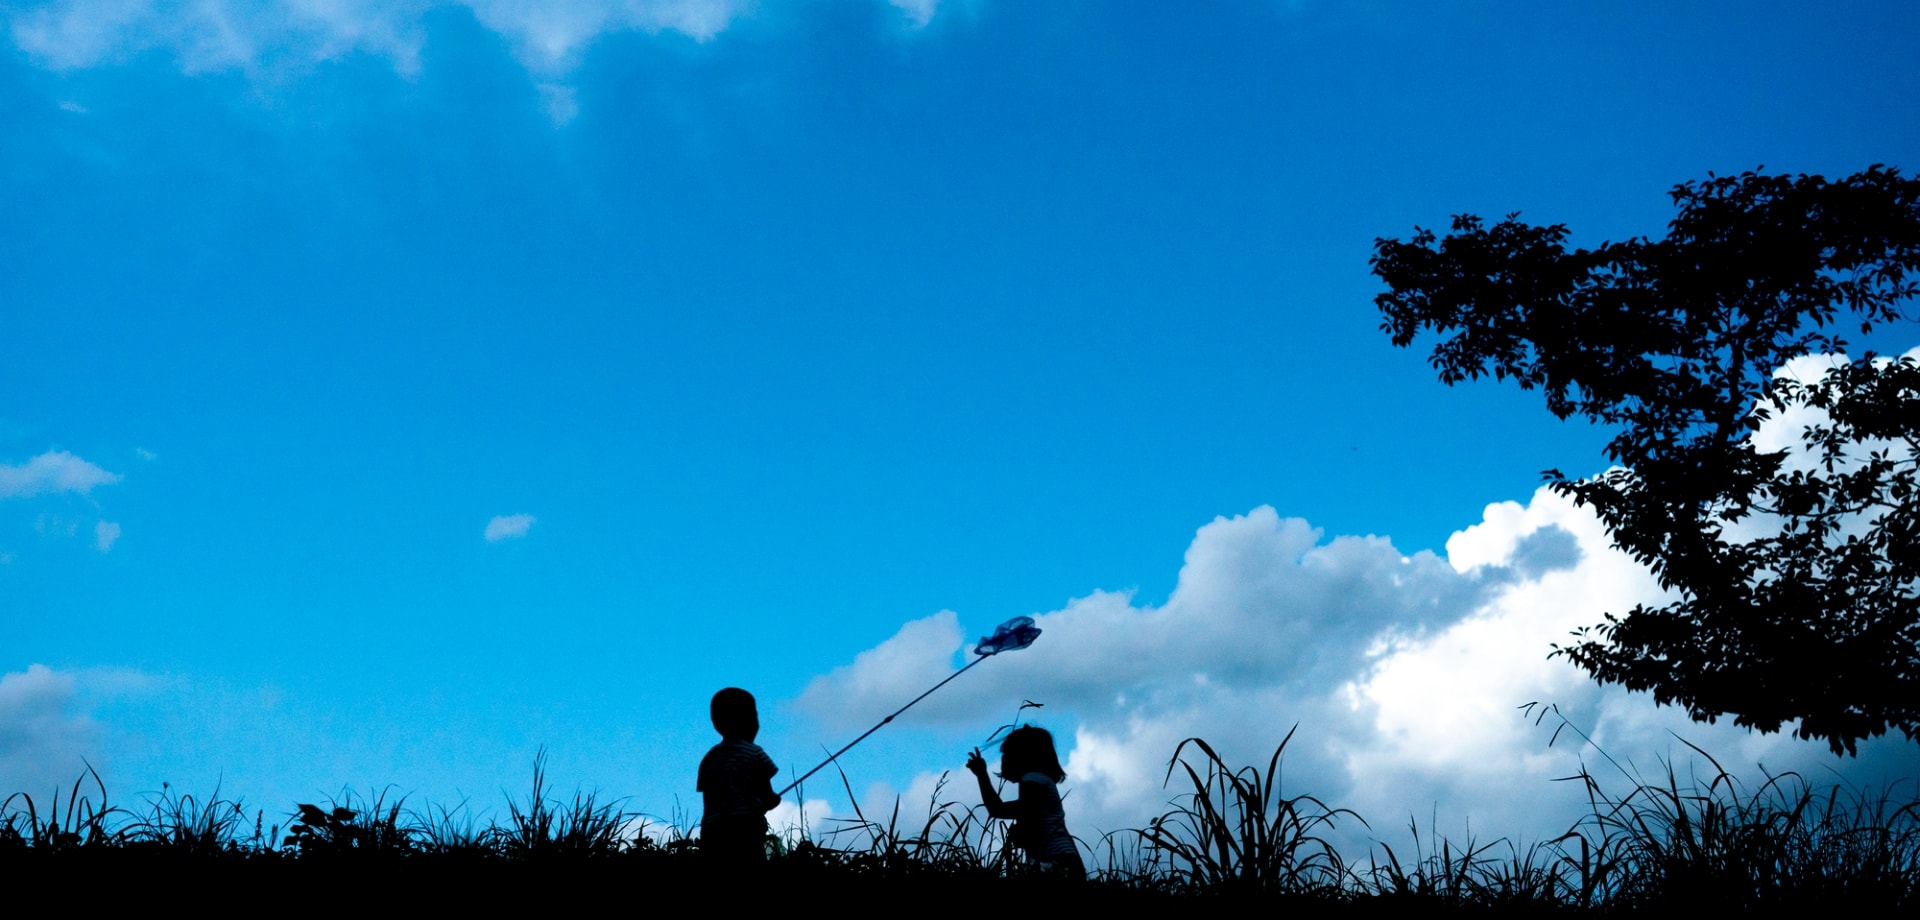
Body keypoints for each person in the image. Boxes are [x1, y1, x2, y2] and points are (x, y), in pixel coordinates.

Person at [966, 725, 1085, 877]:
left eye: (1006, 754)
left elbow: (1003, 811)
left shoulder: (1032, 780)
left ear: (1021, 756)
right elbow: (1003, 810)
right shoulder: (1042, 780)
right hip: (1065, 860)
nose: (1002, 759)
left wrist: (982, 775)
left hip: (1057, 862)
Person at [697, 687, 780, 868]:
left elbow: (708, 803)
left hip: (714, 830)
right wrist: (772, 801)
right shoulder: (755, 753)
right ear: (749, 720)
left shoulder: (710, 758)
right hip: (746, 826)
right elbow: (767, 794)